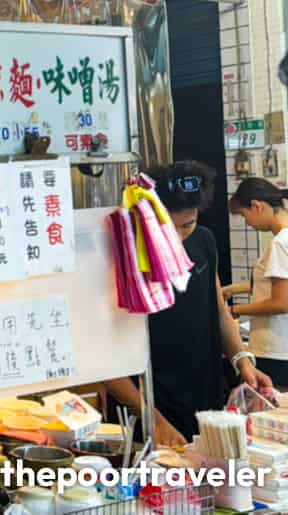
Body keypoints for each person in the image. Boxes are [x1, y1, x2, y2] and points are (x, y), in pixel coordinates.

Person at [106, 162, 274, 447]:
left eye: (187, 225)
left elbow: (218, 310)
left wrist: (241, 360)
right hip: (149, 407)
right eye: (165, 227)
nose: (178, 236)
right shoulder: (122, 255)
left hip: (205, 399)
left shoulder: (204, 241)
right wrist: (154, 420)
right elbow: (105, 354)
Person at [228, 177, 288, 387]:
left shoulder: (280, 243)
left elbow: (281, 302)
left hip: (275, 349)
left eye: (245, 215)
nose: (247, 223)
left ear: (256, 205)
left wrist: (235, 310)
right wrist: (234, 289)